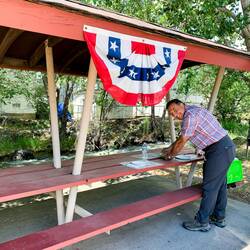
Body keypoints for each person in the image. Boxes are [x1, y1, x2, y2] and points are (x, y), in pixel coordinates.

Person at [162, 99, 235, 232]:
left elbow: (182, 141)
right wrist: (169, 148)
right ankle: (219, 218)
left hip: (218, 150)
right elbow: (181, 138)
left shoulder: (190, 116)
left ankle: (202, 221)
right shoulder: (193, 111)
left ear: (181, 104)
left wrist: (170, 155)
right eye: (171, 113)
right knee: (220, 186)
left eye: (174, 109)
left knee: (210, 187)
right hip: (224, 147)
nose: (173, 114)